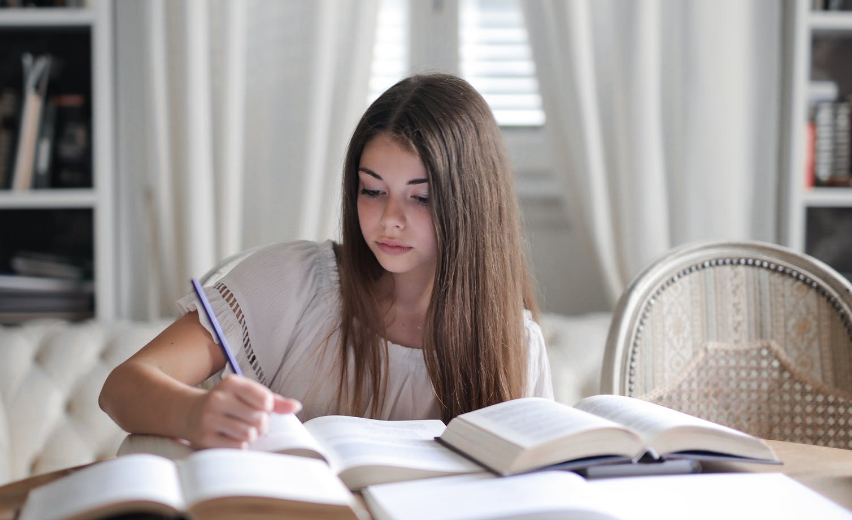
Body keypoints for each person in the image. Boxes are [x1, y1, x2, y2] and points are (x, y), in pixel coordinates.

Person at [99, 73, 554, 450]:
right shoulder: (293, 282)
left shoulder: (514, 344)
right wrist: (195, 412)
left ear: (470, 204)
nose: (389, 220)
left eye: (421, 198)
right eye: (372, 191)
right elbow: (121, 388)